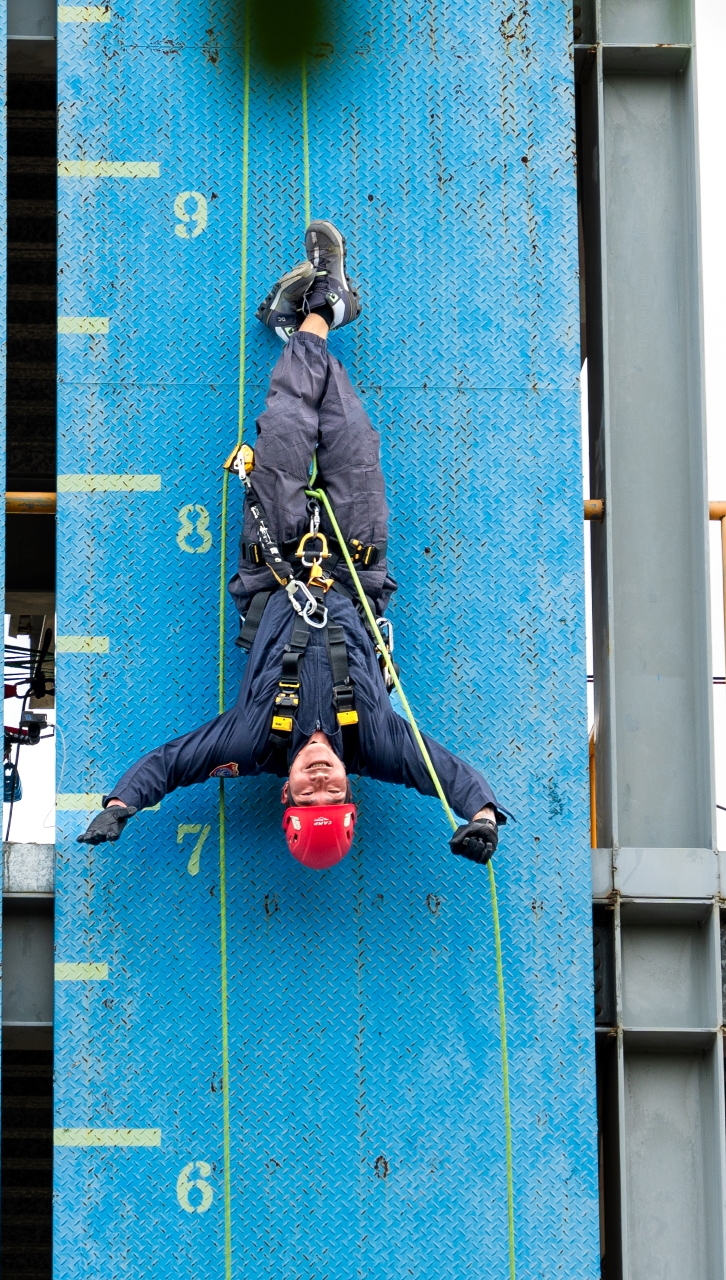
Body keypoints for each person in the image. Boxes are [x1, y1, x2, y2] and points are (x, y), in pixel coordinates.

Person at [76, 220, 506, 866]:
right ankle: (319, 311)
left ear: (287, 794)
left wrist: (121, 805)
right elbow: (447, 775)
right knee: (350, 429)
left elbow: (175, 763)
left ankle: (318, 312)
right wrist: (483, 817)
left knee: (284, 423)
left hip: (275, 558)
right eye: (333, 792)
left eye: (310, 795)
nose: (320, 780)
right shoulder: (382, 741)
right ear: (350, 793)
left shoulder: (250, 740)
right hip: (356, 557)